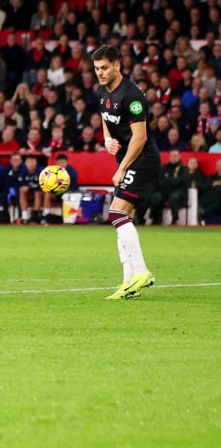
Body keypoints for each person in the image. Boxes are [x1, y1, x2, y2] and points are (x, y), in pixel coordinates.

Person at [93, 44, 159, 300]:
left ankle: (142, 272)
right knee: (123, 218)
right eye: (97, 68)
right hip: (127, 158)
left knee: (116, 213)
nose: (100, 72)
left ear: (117, 65)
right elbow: (105, 118)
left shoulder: (132, 95)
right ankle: (129, 283)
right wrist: (107, 139)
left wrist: (122, 168)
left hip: (142, 159)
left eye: (105, 68)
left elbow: (140, 137)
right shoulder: (102, 92)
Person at [148, 149, 191, 226]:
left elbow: (184, 181)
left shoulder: (184, 168)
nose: (173, 158)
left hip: (178, 192)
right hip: (164, 192)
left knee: (174, 197)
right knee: (155, 197)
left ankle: (175, 220)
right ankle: (155, 219)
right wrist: (172, 181)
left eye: (175, 156)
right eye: (171, 156)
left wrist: (169, 181)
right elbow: (159, 180)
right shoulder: (164, 167)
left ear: (179, 157)